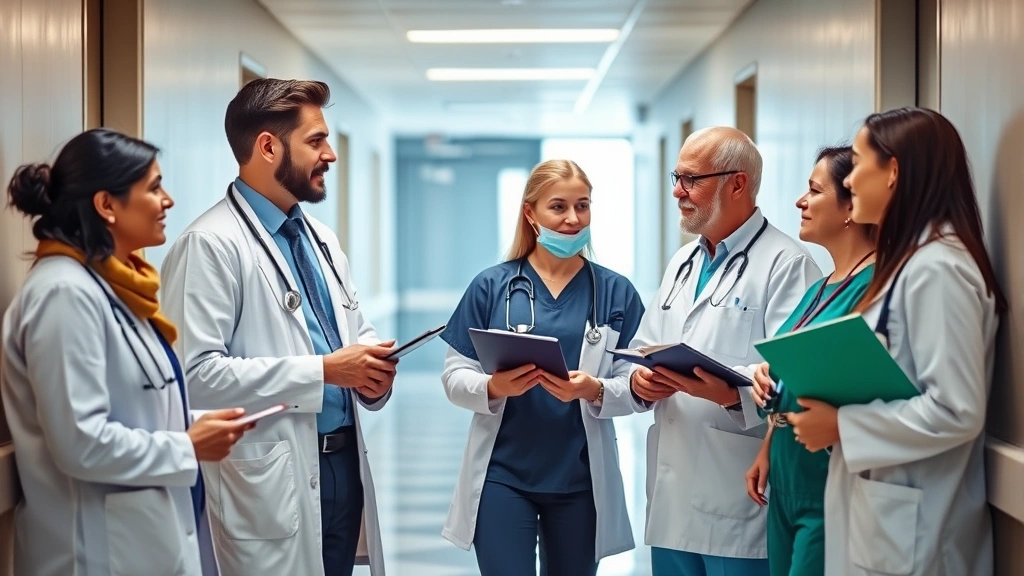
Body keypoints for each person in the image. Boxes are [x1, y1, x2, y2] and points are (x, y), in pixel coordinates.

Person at [160, 79, 397, 576]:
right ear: (268, 147)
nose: (330, 154)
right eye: (316, 141)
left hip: (341, 464)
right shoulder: (210, 244)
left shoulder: (320, 238)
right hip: (271, 475)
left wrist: (372, 370)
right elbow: (193, 376)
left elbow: (355, 330)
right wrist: (323, 372)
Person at [1, 128, 250, 576]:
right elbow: (80, 442)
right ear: (106, 204)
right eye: (154, 188)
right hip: (91, 554)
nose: (168, 201)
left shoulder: (114, 289)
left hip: (142, 544)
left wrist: (199, 425)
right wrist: (187, 445)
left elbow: (132, 407)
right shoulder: (63, 294)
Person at [782, 107, 1006, 576]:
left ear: (893, 172)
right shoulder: (909, 263)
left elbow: (956, 410)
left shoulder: (938, 269)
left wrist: (842, 425)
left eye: (859, 164)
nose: (850, 181)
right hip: (888, 520)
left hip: (918, 534)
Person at [623, 126, 821, 576]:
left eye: (691, 179)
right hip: (672, 500)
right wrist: (640, 379)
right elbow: (645, 343)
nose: (678, 190)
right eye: (677, 177)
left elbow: (795, 375)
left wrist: (731, 393)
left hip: (737, 499)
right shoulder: (683, 262)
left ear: (737, 183)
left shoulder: (786, 264)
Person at [439, 159, 644, 576]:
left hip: (580, 480)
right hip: (502, 476)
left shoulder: (615, 292)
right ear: (530, 213)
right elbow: (454, 376)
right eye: (558, 207)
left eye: (582, 206)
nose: (573, 219)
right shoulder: (491, 286)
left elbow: (639, 386)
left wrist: (595, 390)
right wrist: (493, 387)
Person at [742, 146, 876, 576]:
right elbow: (796, 375)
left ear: (850, 206)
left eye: (815, 191)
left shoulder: (876, 287)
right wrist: (768, 437)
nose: (801, 201)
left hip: (826, 480)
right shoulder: (818, 289)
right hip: (785, 474)